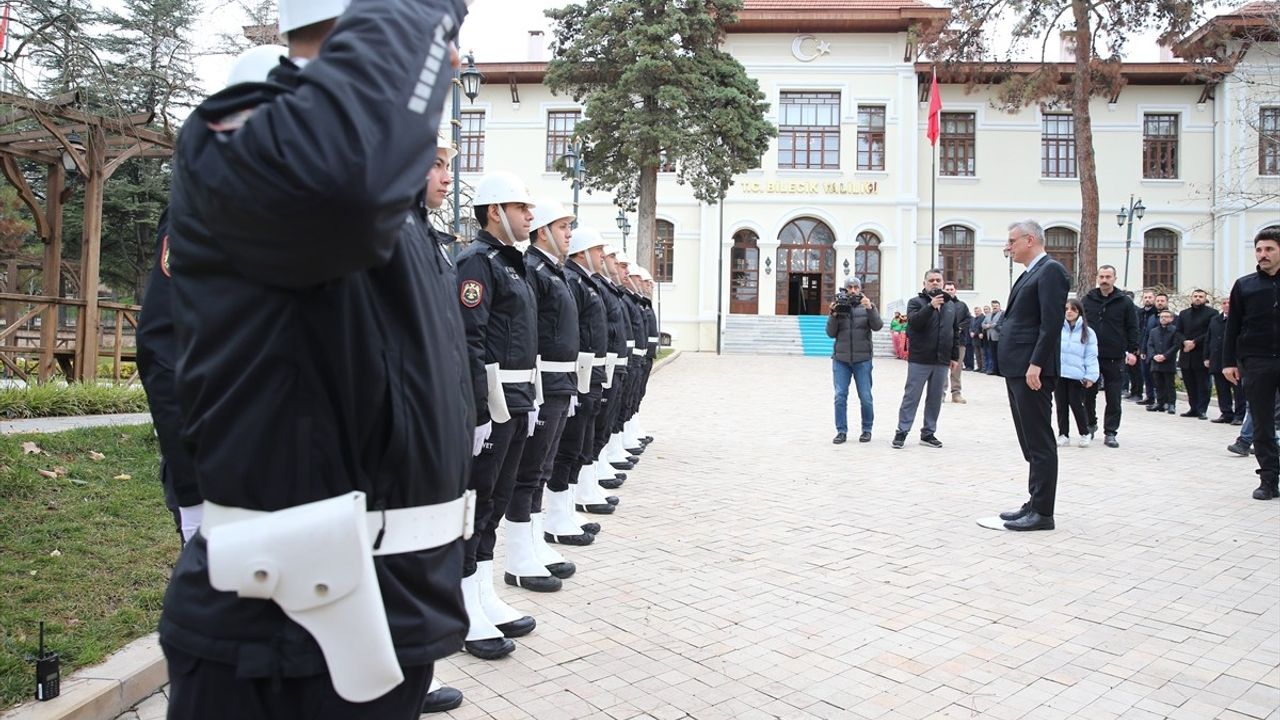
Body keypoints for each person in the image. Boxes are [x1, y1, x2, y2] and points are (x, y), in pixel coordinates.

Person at [159, 1, 474, 717]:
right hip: (289, 631)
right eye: (421, 42)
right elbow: (341, 179)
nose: (445, 62)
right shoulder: (245, 135)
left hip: (378, 614)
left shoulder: (378, 187)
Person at [454, 171, 539, 659]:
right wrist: (481, 409)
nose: (530, 216)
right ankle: (464, 608)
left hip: (517, 400)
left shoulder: (512, 264)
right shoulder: (477, 262)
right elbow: (472, 339)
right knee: (477, 502)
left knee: (497, 500)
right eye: (521, 208)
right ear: (495, 213)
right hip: (493, 403)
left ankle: (483, 592)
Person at [505, 198, 580, 592]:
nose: (570, 234)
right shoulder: (533, 270)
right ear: (545, 231)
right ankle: (518, 555)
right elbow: (527, 333)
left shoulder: (553, 271)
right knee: (529, 471)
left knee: (542, 468)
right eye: (564, 227)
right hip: (541, 382)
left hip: (559, 382)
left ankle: (531, 544)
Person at [994, 220, 1069, 532]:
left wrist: (1037, 363)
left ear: (1029, 239)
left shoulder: (1051, 271)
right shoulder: (1031, 272)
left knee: (1039, 441)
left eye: (1011, 241)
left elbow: (1051, 324)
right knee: (1029, 440)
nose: (1007, 247)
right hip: (1018, 368)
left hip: (1032, 370)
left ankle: (1043, 513)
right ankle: (1035, 501)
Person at [544, 227, 610, 545]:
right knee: (565, 450)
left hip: (584, 374)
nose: (603, 257)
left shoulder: (584, 282)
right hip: (570, 375)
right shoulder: (572, 279)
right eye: (598, 250)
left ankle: (566, 510)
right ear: (583, 254)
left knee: (577, 446)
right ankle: (557, 516)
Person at [1222, 227, 1280, 500]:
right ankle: (1268, 479)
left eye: (1269, 249)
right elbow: (1232, 326)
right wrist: (1228, 362)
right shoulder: (1245, 285)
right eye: (1259, 249)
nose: (1263, 254)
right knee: (1262, 423)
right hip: (1256, 362)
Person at [891, 269, 963, 450]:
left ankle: (928, 433)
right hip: (920, 359)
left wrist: (954, 356)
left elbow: (954, 332)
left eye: (938, 280)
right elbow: (913, 324)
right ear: (924, 283)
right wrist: (930, 306)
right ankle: (902, 431)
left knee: (935, 398)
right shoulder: (915, 303)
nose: (935, 283)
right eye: (931, 280)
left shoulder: (950, 305)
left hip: (941, 360)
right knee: (911, 396)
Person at [1081, 265, 1139, 448]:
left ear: (1115, 278)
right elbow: (1079, 324)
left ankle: (1111, 431)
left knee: (1113, 396)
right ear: (1097, 278)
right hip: (1091, 356)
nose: (1104, 280)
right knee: (1088, 394)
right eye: (1102, 276)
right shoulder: (1088, 299)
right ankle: (1090, 424)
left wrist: (1133, 350)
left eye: (1108, 277)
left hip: (1115, 355)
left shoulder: (1124, 302)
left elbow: (1132, 327)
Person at [825, 276, 882, 444]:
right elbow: (830, 333)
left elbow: (877, 326)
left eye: (855, 287)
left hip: (862, 359)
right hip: (841, 360)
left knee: (865, 397)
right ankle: (841, 431)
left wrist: (870, 308)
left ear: (860, 288)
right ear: (845, 289)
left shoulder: (867, 306)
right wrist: (833, 314)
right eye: (849, 287)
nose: (853, 290)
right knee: (840, 396)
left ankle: (867, 429)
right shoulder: (839, 306)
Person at [1055, 298, 1099, 448]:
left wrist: (1090, 376)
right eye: (1066, 309)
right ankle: (1063, 434)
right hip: (1060, 374)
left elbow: (1091, 355)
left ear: (1079, 312)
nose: (1069, 312)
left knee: (1076, 404)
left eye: (1073, 309)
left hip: (1076, 375)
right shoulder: (1058, 329)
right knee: (1061, 405)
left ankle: (1085, 432)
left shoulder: (1088, 332)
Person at [1176, 289, 1216, 419]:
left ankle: (1202, 409)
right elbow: (1178, 332)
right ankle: (1193, 408)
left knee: (1203, 383)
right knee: (1189, 383)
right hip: (1186, 353)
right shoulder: (1183, 313)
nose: (1198, 298)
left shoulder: (1212, 313)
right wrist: (1184, 342)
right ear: (1191, 298)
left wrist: (1194, 342)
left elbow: (1210, 332)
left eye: (1201, 296)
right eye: (1195, 296)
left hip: (1201, 352)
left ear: (1205, 299)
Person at [1207, 298, 1246, 423]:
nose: (1227, 305)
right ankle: (1226, 413)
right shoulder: (1214, 320)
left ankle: (1239, 416)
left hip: (1234, 361)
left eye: (1229, 303)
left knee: (1238, 390)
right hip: (1217, 359)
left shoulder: (1240, 319)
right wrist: (1206, 357)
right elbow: (1209, 339)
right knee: (1221, 389)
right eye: (1224, 303)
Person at [1146, 309, 1182, 414]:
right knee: (1158, 384)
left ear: (1171, 318)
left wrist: (1165, 356)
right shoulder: (1154, 331)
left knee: (1169, 384)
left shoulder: (1175, 330)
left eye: (1166, 317)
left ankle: (1171, 404)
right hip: (1156, 362)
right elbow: (1150, 345)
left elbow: (1176, 345)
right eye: (1161, 317)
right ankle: (1160, 403)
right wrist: (1153, 356)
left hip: (1168, 362)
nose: (1163, 319)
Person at [943, 281, 969, 403]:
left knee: (956, 369)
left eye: (951, 289)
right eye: (947, 289)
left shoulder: (962, 306)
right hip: (943, 341)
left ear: (955, 290)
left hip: (959, 342)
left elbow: (968, 319)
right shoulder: (940, 304)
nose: (949, 291)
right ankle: (940, 393)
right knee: (942, 368)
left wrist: (958, 328)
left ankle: (956, 393)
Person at [1134, 289, 1158, 404]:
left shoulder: (1156, 314)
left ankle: (1160, 398)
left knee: (1154, 374)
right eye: (1145, 297)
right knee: (1145, 373)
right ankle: (1149, 396)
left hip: (1154, 347)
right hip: (1142, 345)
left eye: (1150, 297)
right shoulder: (1140, 313)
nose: (1147, 300)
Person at [982, 300, 1003, 374]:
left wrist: (993, 325)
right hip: (990, 337)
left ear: (999, 306)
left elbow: (1001, 324)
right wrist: (986, 326)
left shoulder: (1002, 313)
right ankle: (994, 370)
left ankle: (1000, 371)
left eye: (996, 306)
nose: (995, 308)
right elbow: (983, 324)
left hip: (998, 337)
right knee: (992, 354)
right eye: (993, 306)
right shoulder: (988, 315)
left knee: (999, 355)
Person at [970, 305, 986, 372]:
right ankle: (979, 367)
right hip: (974, 339)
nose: (976, 312)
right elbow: (970, 327)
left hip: (980, 338)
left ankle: (983, 368)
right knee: (977, 354)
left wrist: (975, 333)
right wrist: (970, 332)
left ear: (981, 311)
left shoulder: (983, 317)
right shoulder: (973, 319)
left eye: (978, 311)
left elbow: (979, 327)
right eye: (975, 311)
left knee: (982, 354)